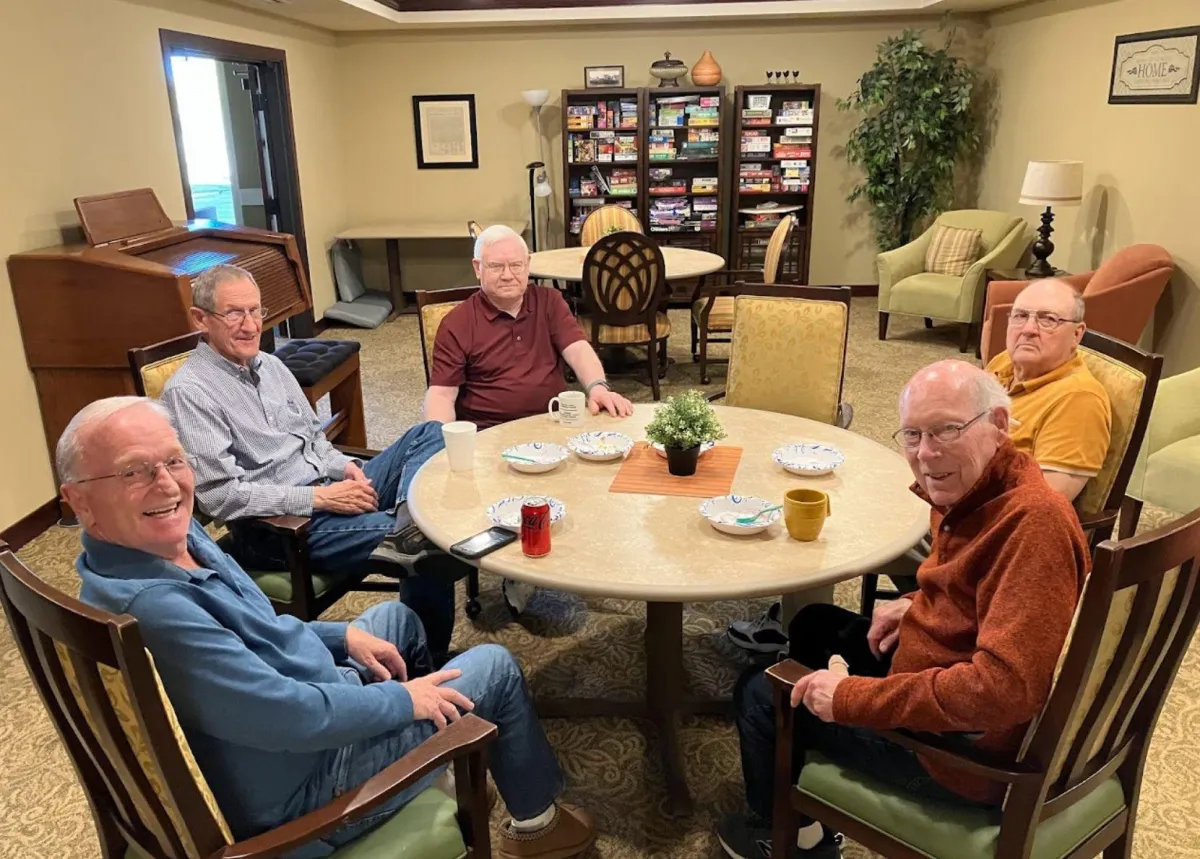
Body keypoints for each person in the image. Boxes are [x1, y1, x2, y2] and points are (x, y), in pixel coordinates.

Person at [61, 397, 597, 859]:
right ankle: (536, 825)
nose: (166, 483)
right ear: (80, 500)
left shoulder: (163, 543)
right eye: (134, 470)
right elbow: (289, 718)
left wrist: (342, 637)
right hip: (305, 791)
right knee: (494, 667)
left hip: (301, 708)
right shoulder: (153, 606)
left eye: (173, 460)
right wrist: (405, 703)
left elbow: (260, 628)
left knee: (396, 621)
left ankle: (439, 756)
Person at [718, 361, 1089, 859]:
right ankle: (804, 815)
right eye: (913, 434)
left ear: (999, 425)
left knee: (761, 692)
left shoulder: (1035, 526)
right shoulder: (986, 492)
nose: (927, 453)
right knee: (813, 624)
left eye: (947, 430)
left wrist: (852, 699)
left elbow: (1003, 691)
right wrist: (914, 603)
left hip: (961, 757)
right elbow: (991, 594)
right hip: (941, 683)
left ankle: (783, 840)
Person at [728, 279, 1111, 655]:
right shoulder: (1005, 368)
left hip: (969, 530)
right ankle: (806, 620)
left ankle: (793, 631)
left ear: (1077, 333)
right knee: (838, 496)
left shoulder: (1078, 399)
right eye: (1021, 315)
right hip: (948, 495)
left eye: (1047, 320)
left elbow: (1038, 505)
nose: (1028, 328)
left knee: (838, 521)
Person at [160, 264, 461, 661]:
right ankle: (426, 666)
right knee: (430, 548)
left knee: (431, 432)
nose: (250, 325)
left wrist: (346, 468)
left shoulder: (271, 366)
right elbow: (221, 497)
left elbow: (315, 442)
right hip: (281, 529)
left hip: (327, 489)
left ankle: (405, 527)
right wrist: (321, 500)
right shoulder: (190, 392)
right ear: (201, 319)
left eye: (256, 311)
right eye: (234, 313)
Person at [422, 224, 634, 615]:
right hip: (492, 440)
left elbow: (578, 349)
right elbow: (441, 394)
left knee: (611, 463)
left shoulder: (549, 301)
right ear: (477, 268)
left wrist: (599, 387)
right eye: (497, 266)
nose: (508, 275)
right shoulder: (457, 323)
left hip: (553, 427)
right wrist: (438, 444)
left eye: (516, 265)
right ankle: (517, 568)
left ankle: (579, 549)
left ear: (529, 265)